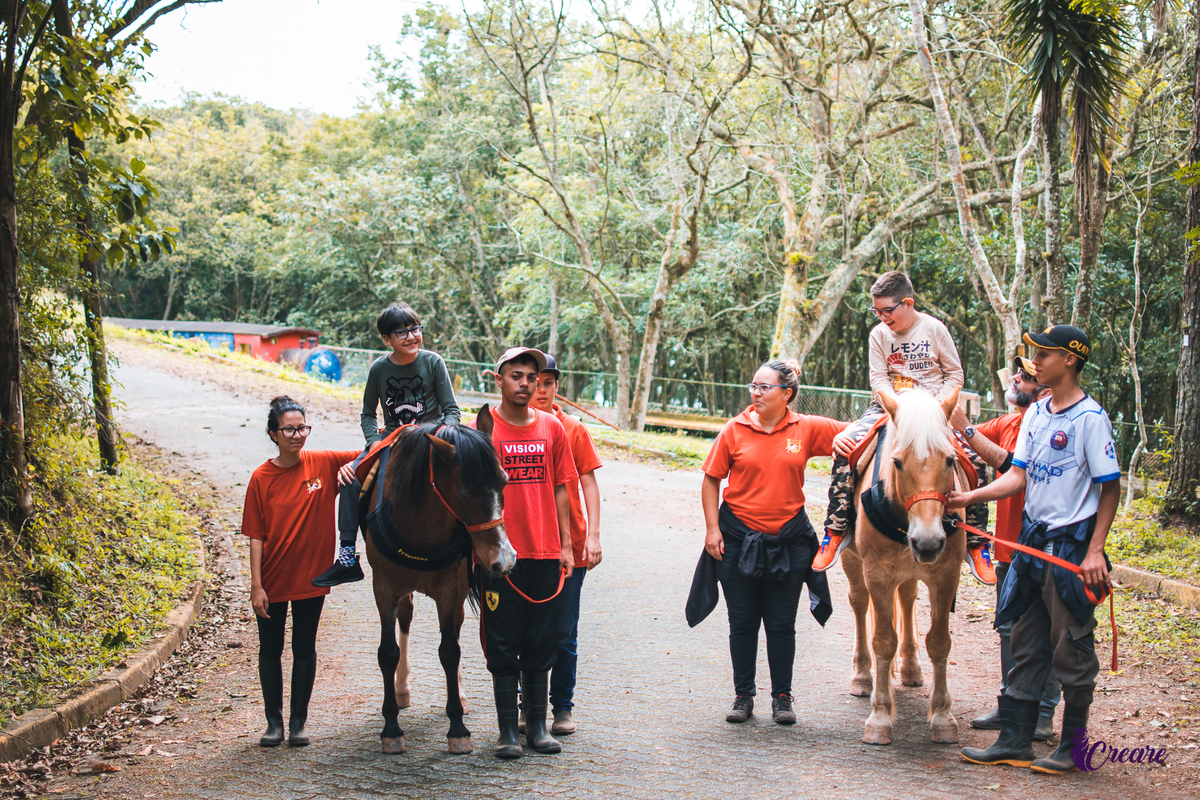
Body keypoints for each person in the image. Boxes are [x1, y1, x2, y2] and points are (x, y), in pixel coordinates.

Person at [951, 325, 1120, 775]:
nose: (1034, 361)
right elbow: (1017, 476)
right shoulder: (1038, 412)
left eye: (1043, 354)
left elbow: (1110, 488)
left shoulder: (1090, 418)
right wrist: (969, 499)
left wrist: (1095, 551)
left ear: (1069, 359)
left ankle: (1073, 747)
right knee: (1025, 643)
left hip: (1069, 551)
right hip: (1031, 544)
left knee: (1072, 648)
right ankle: (1014, 741)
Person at [814, 270, 994, 584]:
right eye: (876, 311)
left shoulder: (934, 329)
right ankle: (836, 528)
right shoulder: (879, 335)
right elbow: (878, 379)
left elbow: (954, 376)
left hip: (937, 410)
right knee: (846, 450)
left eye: (887, 310)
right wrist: (895, 408)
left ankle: (978, 542)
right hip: (890, 408)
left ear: (907, 302)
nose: (882, 317)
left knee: (975, 462)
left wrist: (939, 409)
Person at [701, 360, 841, 725]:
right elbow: (711, 480)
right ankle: (743, 696)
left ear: (787, 394)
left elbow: (855, 435)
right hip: (737, 541)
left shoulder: (806, 427)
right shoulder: (734, 429)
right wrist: (712, 529)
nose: (756, 393)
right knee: (743, 622)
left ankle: (782, 698)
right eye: (754, 386)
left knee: (781, 623)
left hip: (788, 543)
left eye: (765, 387)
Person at [472, 346, 577, 759]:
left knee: (541, 640)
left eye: (531, 378)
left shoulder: (553, 427)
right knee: (502, 641)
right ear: (499, 380)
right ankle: (506, 731)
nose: (525, 384)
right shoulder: (482, 429)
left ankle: (536, 726)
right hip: (500, 556)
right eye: (516, 376)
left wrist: (566, 546)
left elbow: (561, 487)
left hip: (545, 553)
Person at [312, 301, 460, 587]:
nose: (411, 337)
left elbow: (451, 410)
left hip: (432, 438)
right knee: (350, 478)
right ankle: (346, 557)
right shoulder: (379, 369)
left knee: (468, 476)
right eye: (401, 332)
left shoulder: (433, 361)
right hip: (392, 439)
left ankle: (473, 550)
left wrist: (443, 434)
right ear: (386, 339)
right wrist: (374, 441)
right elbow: (368, 413)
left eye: (415, 329)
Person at [953, 355, 1061, 741]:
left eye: (1026, 375)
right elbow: (966, 444)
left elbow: (1011, 468)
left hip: (1044, 547)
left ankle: (1045, 711)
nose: (1015, 377)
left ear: (1044, 389)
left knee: (1048, 631)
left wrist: (965, 428)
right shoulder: (1012, 420)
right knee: (1008, 628)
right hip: (1007, 550)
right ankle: (1010, 703)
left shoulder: (1051, 427)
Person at [241, 396, 360, 747]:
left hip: (312, 576)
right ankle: (273, 724)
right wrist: (256, 586)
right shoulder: (260, 478)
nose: (297, 435)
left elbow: (369, 454)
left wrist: (348, 467)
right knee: (270, 649)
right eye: (289, 429)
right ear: (274, 434)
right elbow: (256, 536)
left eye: (302, 428)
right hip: (273, 578)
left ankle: (297, 723)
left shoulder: (322, 463)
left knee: (304, 647)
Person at [530, 354, 603, 736]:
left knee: (563, 631)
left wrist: (592, 535)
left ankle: (562, 707)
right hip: (526, 546)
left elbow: (589, 483)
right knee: (528, 630)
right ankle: (528, 706)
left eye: (547, 383)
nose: (539, 390)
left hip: (568, 548)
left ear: (557, 386)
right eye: (533, 382)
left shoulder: (572, 429)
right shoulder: (512, 428)